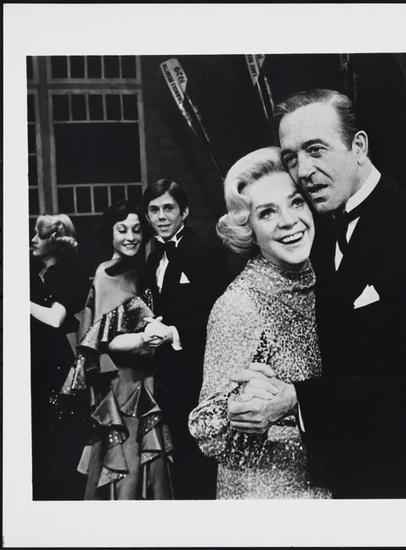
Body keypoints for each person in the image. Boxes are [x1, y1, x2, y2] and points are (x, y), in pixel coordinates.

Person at [226, 89, 406, 498]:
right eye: (292, 157)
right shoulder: (317, 235)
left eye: (316, 150)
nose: (304, 170)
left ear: (359, 147)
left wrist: (297, 399)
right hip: (356, 479)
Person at [188, 147, 331, 499]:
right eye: (267, 213)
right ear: (248, 230)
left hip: (332, 485)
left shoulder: (330, 283)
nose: (289, 221)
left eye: (296, 202)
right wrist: (243, 409)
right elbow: (206, 431)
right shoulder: (239, 305)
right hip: (269, 494)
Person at [61, 200, 173, 499]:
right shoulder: (109, 274)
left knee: (134, 459)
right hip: (123, 385)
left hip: (141, 378)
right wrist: (145, 339)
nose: (130, 237)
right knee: (128, 461)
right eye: (122, 230)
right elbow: (106, 341)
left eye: (136, 230)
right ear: (109, 234)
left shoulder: (135, 270)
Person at [141, 179, 218, 499]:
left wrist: (173, 333)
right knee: (181, 457)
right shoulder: (151, 258)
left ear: (184, 212)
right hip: (166, 374)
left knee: (202, 456)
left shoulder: (205, 252)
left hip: (198, 373)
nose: (161, 216)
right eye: (154, 210)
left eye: (168, 208)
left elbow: (216, 317)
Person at [30, 214, 89, 499]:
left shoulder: (69, 274)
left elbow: (55, 319)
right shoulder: (30, 271)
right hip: (33, 361)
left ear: (54, 241)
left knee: (59, 440)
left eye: (39, 236)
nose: (32, 240)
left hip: (57, 364)